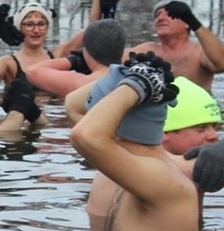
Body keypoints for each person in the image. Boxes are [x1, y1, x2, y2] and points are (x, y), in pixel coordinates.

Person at [68, 51, 201, 231]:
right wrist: (124, 79)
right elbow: (72, 105)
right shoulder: (134, 170)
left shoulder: (162, 181)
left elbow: (84, 135)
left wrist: (135, 85)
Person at [74, 75, 221, 220]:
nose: (214, 136)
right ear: (163, 131)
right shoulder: (177, 170)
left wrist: (126, 79)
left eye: (214, 127)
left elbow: (72, 104)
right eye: (201, 128)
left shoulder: (112, 157)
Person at [125, 0, 224, 92]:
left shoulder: (200, 51)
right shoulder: (147, 50)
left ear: (187, 23)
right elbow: (111, 62)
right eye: (158, 15)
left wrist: (194, 22)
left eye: (169, 14)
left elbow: (221, 63)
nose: (161, 18)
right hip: (161, 108)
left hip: (197, 108)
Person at [0, 1, 79, 90]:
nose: (36, 30)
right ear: (19, 28)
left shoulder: (58, 55)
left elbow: (90, 32)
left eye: (41, 24)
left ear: (48, 27)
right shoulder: (9, 62)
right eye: (29, 25)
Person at [26, 19, 127, 98]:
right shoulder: (132, 77)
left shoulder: (84, 84)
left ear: (87, 50)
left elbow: (32, 71)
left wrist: (72, 61)